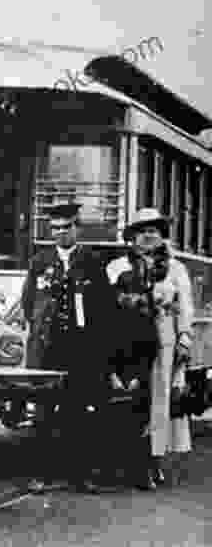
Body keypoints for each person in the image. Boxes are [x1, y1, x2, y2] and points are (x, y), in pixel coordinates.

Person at [21, 202, 112, 493]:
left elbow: (103, 306)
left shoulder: (92, 261)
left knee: (77, 414)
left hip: (79, 350)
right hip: (46, 349)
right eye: (56, 228)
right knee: (43, 414)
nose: (61, 233)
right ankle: (40, 475)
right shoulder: (40, 261)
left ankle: (79, 476)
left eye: (67, 227)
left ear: (77, 228)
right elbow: (28, 304)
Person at [105, 208, 194, 489]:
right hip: (129, 340)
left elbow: (186, 305)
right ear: (132, 237)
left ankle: (153, 462)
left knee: (159, 401)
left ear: (162, 235)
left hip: (164, 340)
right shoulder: (118, 266)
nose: (148, 235)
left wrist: (184, 337)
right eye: (142, 231)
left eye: (154, 230)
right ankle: (129, 462)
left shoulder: (176, 268)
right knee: (132, 400)